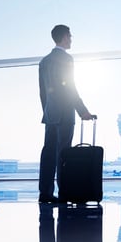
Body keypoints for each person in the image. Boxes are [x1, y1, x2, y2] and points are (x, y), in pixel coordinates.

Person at [38, 24, 94, 203]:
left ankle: (45, 193)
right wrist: (82, 111)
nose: (71, 39)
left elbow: (42, 92)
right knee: (64, 155)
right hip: (65, 114)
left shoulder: (44, 61)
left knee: (48, 153)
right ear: (63, 37)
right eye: (69, 36)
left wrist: (47, 110)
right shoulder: (67, 59)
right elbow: (70, 87)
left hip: (51, 114)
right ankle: (65, 192)